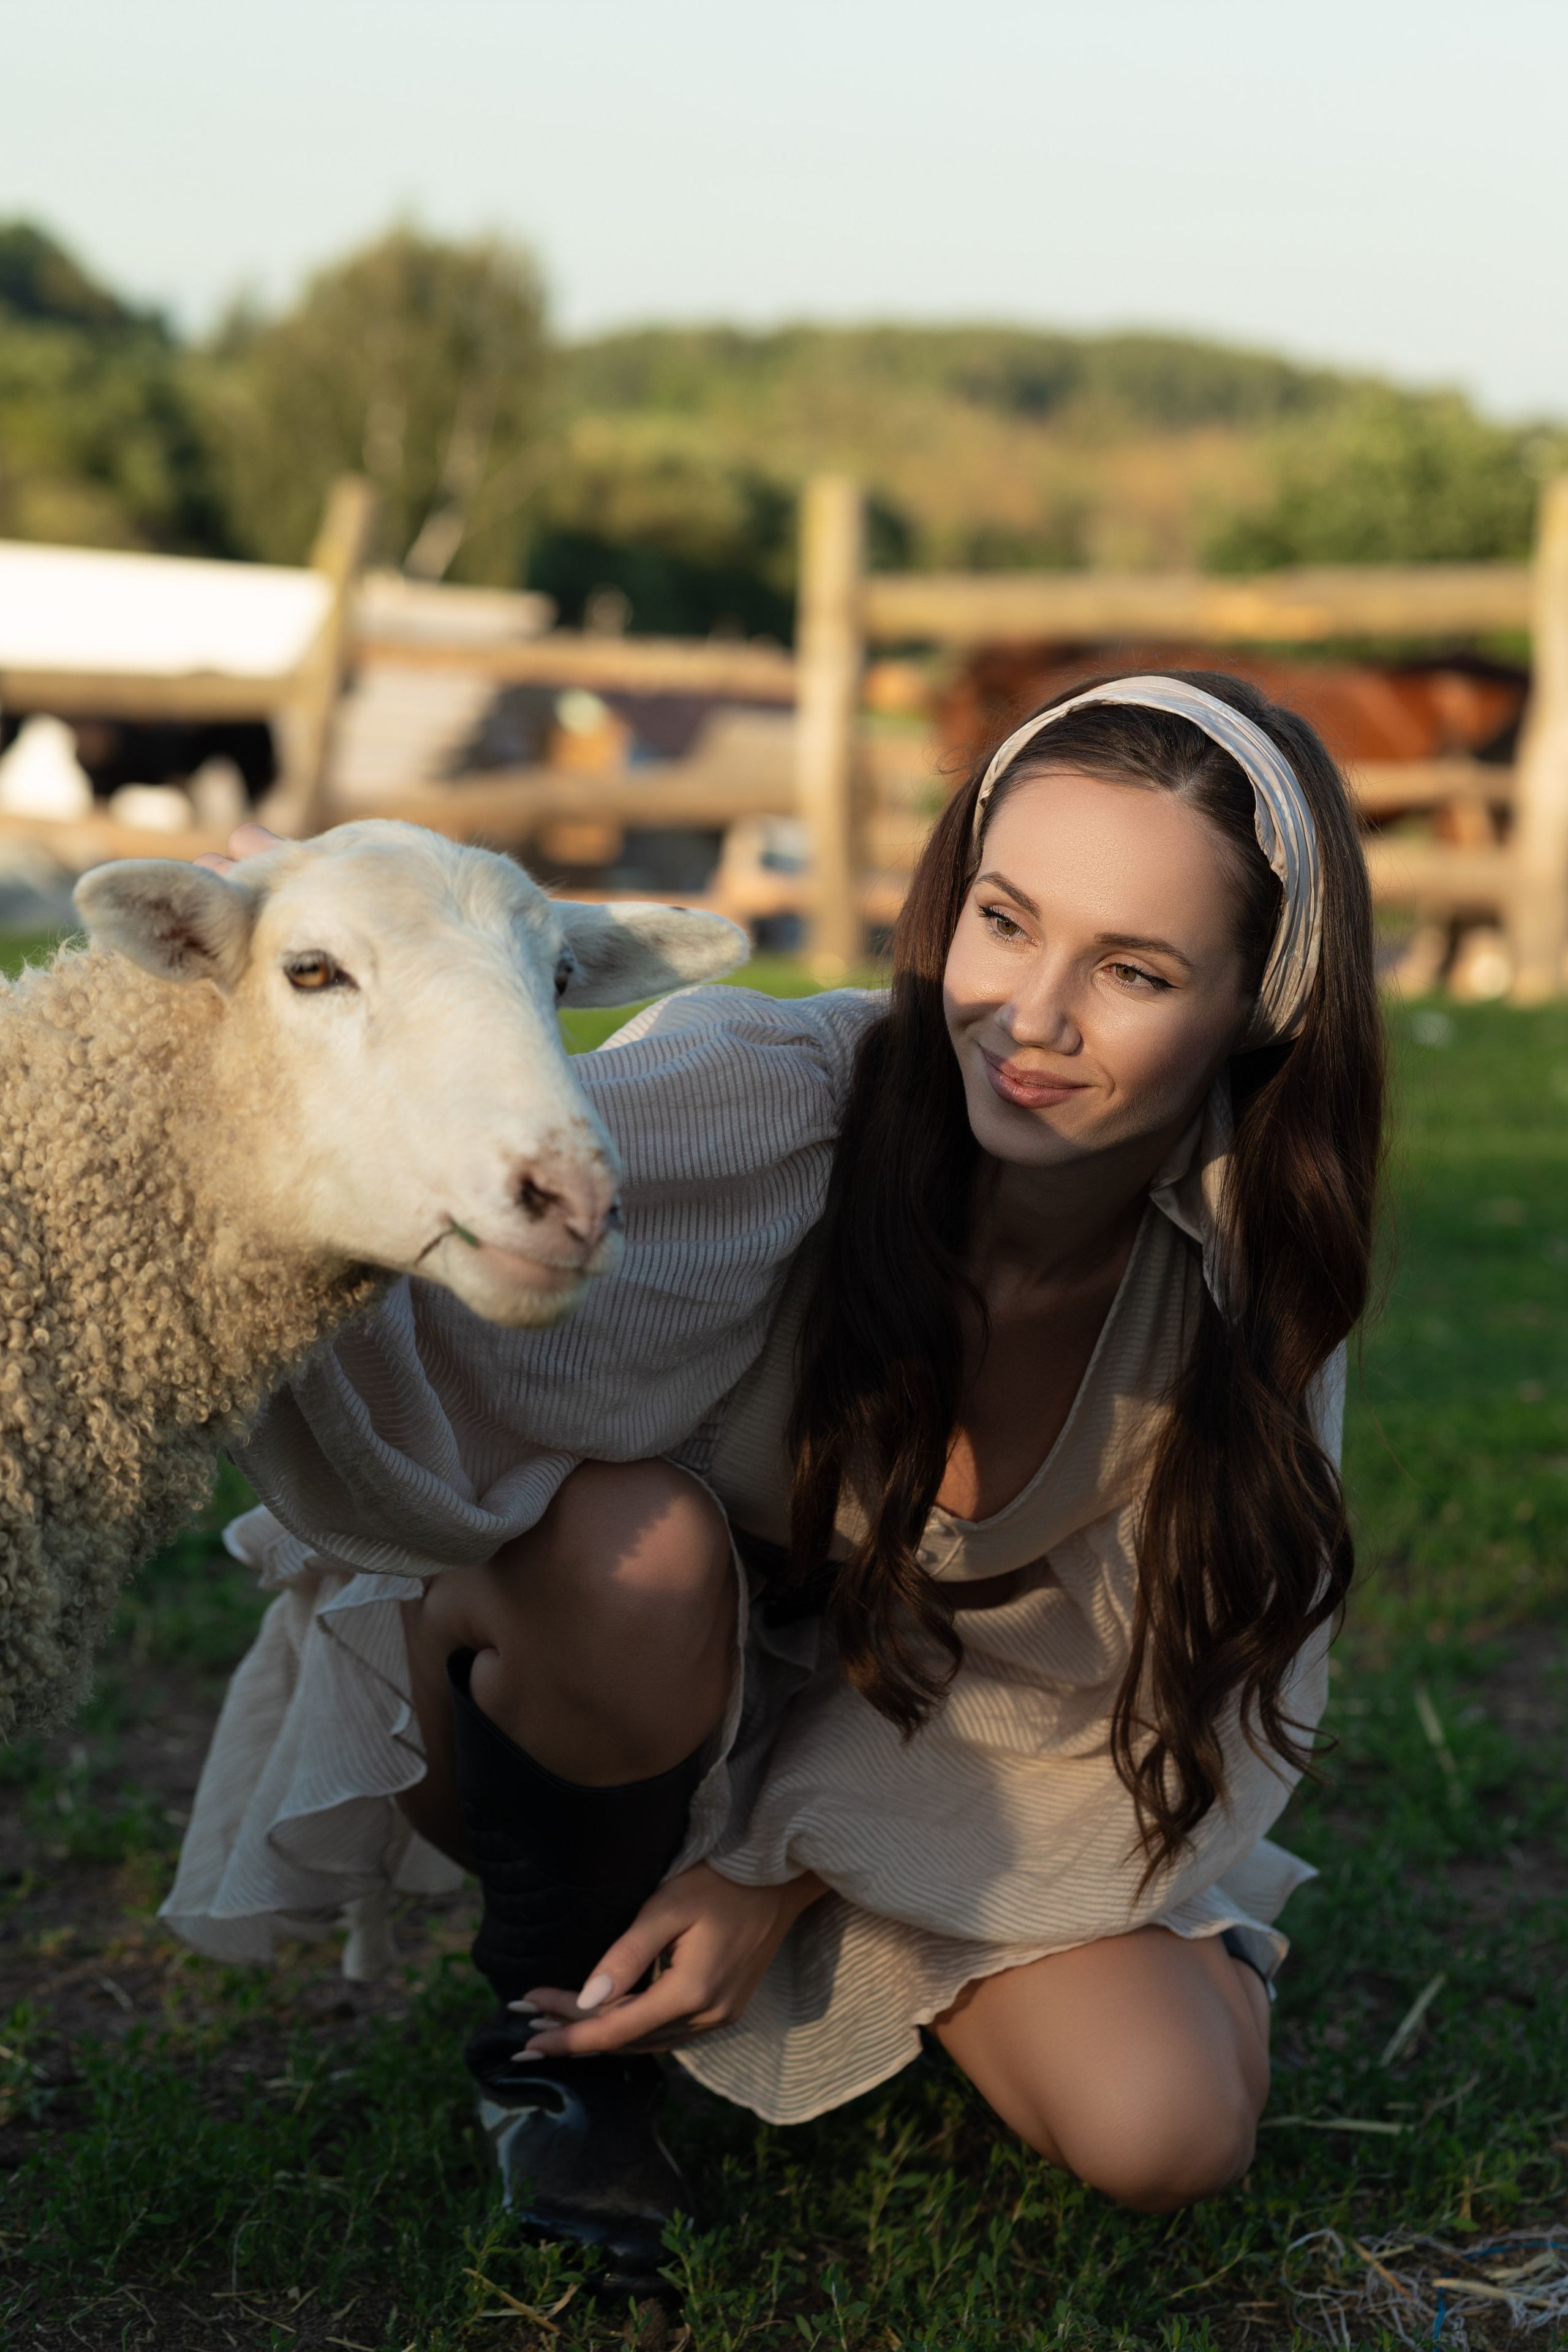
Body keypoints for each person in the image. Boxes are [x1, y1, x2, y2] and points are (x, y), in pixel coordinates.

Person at [164, 672, 1382, 2289]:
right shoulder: (785, 1100)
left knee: (1170, 2128)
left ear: (1255, 1007)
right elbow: (448, 1306)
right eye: (1005, 922)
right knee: (633, 1545)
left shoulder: (1238, 1277)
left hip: (944, 1751)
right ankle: (566, 2056)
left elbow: (1137, 1677)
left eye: (1137, 969)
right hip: (625, 1688)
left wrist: (773, 1869)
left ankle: (911, 1925)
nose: (1031, 1014)